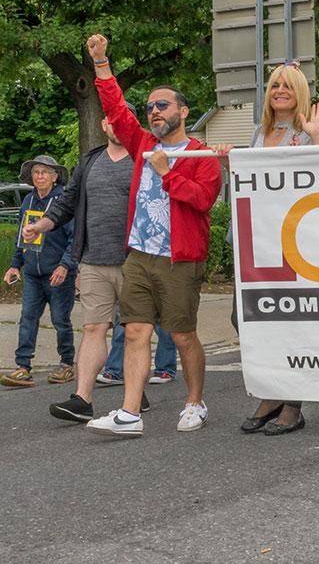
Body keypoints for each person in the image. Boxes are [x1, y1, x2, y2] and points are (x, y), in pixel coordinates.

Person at [82, 33, 223, 438]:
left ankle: (195, 401)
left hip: (179, 259)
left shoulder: (201, 155)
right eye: (150, 107)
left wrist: (167, 173)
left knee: (181, 335)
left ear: (183, 110)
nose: (154, 112)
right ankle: (129, 411)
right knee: (135, 331)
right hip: (139, 255)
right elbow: (116, 108)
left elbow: (202, 201)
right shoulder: (142, 141)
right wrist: (101, 63)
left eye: (163, 105)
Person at [214, 62, 319, 435]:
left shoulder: (308, 130)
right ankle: (272, 391)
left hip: (293, 242)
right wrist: (224, 164)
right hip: (254, 241)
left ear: (300, 93)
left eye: (288, 86)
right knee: (245, 319)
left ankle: (292, 403)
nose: (280, 90)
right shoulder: (257, 133)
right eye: (275, 84)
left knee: (290, 321)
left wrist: (316, 137)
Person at [21, 112, 152, 420]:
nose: (115, 125)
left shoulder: (143, 158)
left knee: (134, 331)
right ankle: (82, 399)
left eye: (123, 119)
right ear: (104, 125)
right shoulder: (90, 161)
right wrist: (43, 225)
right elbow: (67, 201)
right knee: (93, 327)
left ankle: (135, 393)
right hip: (93, 259)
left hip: (135, 260)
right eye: (110, 120)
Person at [0, 156, 77, 388]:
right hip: (33, 272)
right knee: (28, 318)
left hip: (58, 272)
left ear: (55, 177)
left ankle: (66, 364)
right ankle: (22, 366)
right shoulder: (28, 201)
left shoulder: (64, 202)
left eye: (45, 172)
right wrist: (15, 264)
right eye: (36, 172)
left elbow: (74, 239)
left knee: (60, 320)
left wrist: (65, 266)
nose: (40, 176)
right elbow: (21, 236)